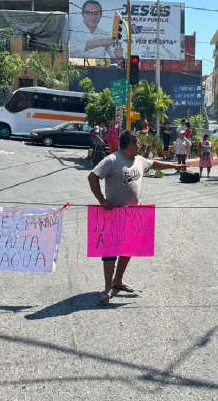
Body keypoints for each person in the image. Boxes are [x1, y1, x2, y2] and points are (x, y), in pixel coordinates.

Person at [88, 130, 186, 305]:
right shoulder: (112, 160)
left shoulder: (139, 160)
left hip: (134, 215)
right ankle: (107, 287)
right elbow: (92, 176)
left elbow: (154, 164)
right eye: (138, 143)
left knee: (128, 249)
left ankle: (118, 280)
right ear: (131, 143)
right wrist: (101, 200)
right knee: (110, 252)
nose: (140, 145)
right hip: (113, 214)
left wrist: (174, 166)